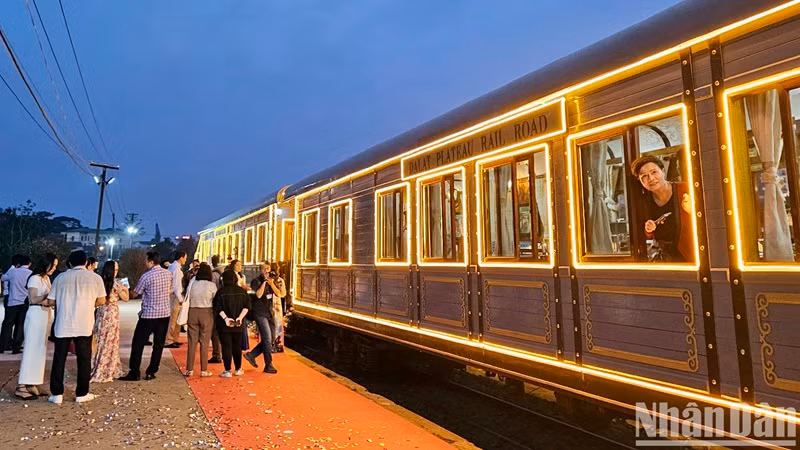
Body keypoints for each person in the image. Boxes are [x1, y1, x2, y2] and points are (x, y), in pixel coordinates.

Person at [47, 250, 106, 404]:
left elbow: (51, 301)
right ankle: (82, 393)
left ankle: (57, 394)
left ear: (70, 263)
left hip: (63, 323)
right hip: (84, 323)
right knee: (84, 359)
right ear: (86, 262)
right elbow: (101, 300)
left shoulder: (60, 278)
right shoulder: (95, 278)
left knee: (59, 359)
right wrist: (87, 304)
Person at [119, 251, 173, 381]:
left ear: (151, 262)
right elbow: (171, 290)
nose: (145, 263)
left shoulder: (146, 276)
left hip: (149, 314)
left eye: (146, 261)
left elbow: (135, 293)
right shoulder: (168, 274)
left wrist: (125, 289)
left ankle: (134, 371)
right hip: (164, 314)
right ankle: (151, 371)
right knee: (158, 344)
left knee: (138, 343)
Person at [631, 155, 693, 262]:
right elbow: (648, 236)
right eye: (644, 176)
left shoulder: (685, 189)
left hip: (691, 257)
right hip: (666, 259)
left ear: (663, 171)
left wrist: (693, 212)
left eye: (654, 172)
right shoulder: (645, 202)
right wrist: (648, 230)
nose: (651, 178)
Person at [15, 253, 58, 400]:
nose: (54, 268)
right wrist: (49, 296)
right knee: (31, 350)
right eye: (53, 265)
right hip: (35, 314)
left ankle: (33, 383)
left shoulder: (46, 279)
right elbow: (33, 298)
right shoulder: (34, 278)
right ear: (46, 263)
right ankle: (21, 386)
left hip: (44, 315)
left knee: (40, 351)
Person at [90, 261, 129, 383]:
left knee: (100, 339)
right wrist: (126, 289)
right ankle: (108, 367)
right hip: (111, 313)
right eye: (115, 269)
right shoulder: (117, 284)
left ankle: (97, 365)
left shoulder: (99, 281)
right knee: (110, 340)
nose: (116, 272)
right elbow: (126, 298)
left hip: (101, 312)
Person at [213, 271, 250, 378]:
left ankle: (227, 370)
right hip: (238, 324)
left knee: (226, 346)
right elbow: (247, 306)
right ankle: (238, 368)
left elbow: (217, 307)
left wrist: (226, 319)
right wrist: (240, 318)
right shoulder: (242, 292)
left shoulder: (220, 292)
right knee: (236, 346)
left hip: (224, 325)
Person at [243, 263, 278, 373]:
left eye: (268, 269)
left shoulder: (271, 281)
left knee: (271, 339)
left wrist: (271, 283)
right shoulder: (256, 281)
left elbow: (280, 294)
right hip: (259, 313)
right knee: (267, 338)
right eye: (264, 269)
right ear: (260, 270)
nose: (267, 271)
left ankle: (252, 354)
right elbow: (258, 294)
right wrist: (264, 282)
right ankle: (268, 365)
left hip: (269, 312)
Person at [184, 263, 217, 377]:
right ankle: (203, 370)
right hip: (206, 313)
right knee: (205, 342)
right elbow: (215, 300)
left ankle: (189, 369)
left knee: (192, 342)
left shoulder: (192, 284)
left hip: (192, 312)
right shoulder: (211, 285)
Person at [0, 254, 32, 354]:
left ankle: (2, 346)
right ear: (29, 263)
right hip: (24, 303)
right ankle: (16, 347)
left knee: (7, 324)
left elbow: (2, 278)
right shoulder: (31, 273)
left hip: (12, 302)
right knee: (20, 325)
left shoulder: (13, 272)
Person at [165, 251, 187, 349]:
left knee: (176, 319)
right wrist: (180, 299)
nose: (185, 260)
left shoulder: (173, 267)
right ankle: (169, 339)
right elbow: (176, 286)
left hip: (173, 295)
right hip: (175, 296)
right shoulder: (176, 269)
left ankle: (174, 338)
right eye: (185, 258)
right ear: (181, 258)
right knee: (173, 319)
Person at [208, 255, 224, 364]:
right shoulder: (224, 273)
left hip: (215, 306)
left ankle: (217, 354)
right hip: (224, 305)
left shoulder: (213, 275)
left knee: (214, 331)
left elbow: (212, 292)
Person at [270, 262, 288, 353]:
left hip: (268, 304)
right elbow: (283, 294)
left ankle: (269, 344)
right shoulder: (280, 280)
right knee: (277, 325)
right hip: (277, 304)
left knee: (269, 324)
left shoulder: (267, 279)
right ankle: (277, 344)